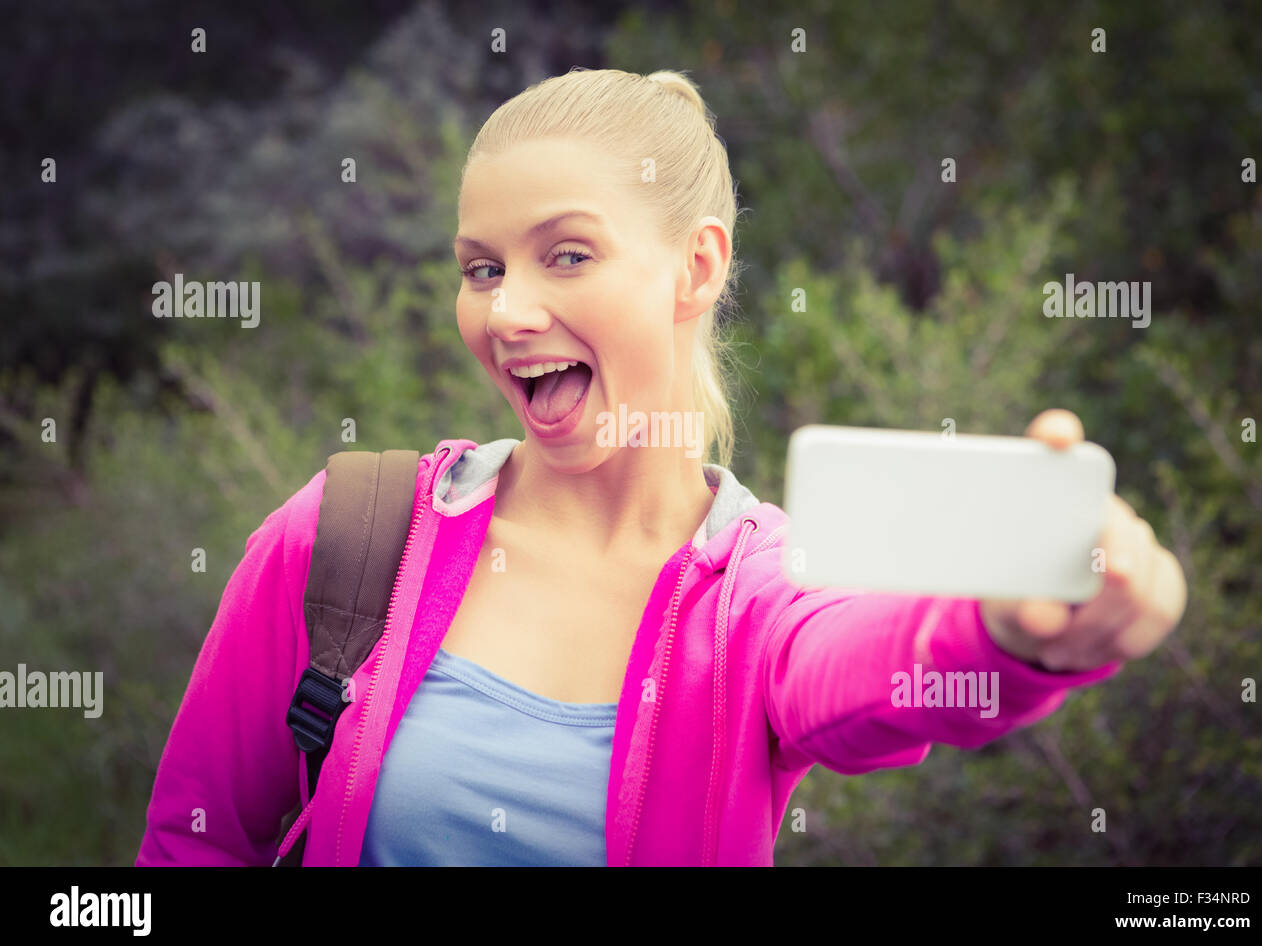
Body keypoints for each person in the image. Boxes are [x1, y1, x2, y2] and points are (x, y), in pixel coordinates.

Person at [135, 67, 1187, 866]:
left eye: (567, 254)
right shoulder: (352, 534)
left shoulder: (755, 592)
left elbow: (865, 667)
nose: (505, 311)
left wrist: (1012, 634)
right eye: (482, 269)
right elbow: (193, 839)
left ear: (696, 266)